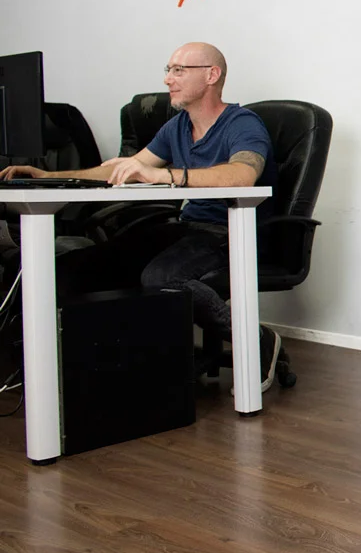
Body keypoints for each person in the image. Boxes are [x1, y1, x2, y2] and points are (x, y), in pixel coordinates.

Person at [0, 42, 283, 391]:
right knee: (75, 268)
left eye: (179, 70)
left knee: (161, 277)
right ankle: (92, 369)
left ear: (212, 75)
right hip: (186, 228)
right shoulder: (177, 127)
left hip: (229, 230)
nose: (168, 79)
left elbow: (242, 175)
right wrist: (50, 176)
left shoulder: (242, 123)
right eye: (168, 70)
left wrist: (164, 174)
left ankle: (258, 340)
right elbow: (120, 169)